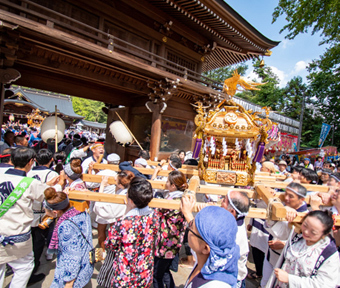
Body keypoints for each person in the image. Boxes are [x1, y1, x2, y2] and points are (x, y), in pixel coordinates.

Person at [0, 147, 63, 287]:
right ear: (30, 162)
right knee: (24, 267)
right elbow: (49, 194)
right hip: (17, 234)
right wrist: (59, 185)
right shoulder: (30, 183)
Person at [97, 177, 160, 288]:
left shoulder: (124, 223)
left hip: (125, 274)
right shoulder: (154, 216)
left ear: (130, 200)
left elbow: (110, 244)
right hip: (145, 269)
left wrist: (126, 212)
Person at [180, 200, 240, 288]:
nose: (189, 227)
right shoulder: (211, 260)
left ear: (205, 248)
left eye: (191, 227)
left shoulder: (215, 285)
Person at [261, 182, 309, 287]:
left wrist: (284, 244)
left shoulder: (306, 216)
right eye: (285, 194)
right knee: (265, 283)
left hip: (286, 262)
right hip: (271, 254)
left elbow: (305, 242)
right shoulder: (284, 207)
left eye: (291, 196)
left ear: (301, 199)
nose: (286, 198)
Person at [274, 210, 340, 287]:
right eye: (305, 225)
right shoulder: (298, 235)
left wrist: (289, 279)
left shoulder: (329, 254)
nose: (306, 232)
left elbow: (324, 284)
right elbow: (277, 227)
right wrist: (288, 211)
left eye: (313, 232)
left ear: (324, 234)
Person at [44, 187, 93, 288]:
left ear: (55, 212)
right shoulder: (82, 213)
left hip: (73, 273)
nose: (45, 212)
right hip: (86, 263)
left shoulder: (66, 226)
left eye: (46, 210)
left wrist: (69, 282)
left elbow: (72, 256)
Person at [153, 170, 188, 288]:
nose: (166, 184)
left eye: (168, 182)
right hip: (173, 242)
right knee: (164, 271)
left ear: (173, 185)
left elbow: (156, 213)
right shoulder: (182, 198)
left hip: (165, 242)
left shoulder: (171, 201)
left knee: (157, 274)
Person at [93, 169, 134, 249]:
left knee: (102, 230)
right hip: (126, 222)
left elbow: (102, 210)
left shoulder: (122, 196)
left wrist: (102, 185)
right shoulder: (129, 191)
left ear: (120, 185)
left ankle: (104, 251)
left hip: (120, 223)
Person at [221, 191, 250, 288]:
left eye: (224, 201)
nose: (221, 202)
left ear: (232, 212)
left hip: (229, 280)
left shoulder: (230, 233)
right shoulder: (237, 222)